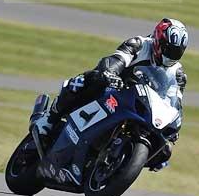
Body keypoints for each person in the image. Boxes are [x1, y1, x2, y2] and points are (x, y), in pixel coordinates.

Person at [32, 17, 188, 172]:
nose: (171, 55)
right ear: (159, 40)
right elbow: (117, 59)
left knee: (165, 150)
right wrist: (110, 72)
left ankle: (117, 163)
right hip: (115, 90)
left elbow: (174, 103)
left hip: (143, 107)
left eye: (177, 52)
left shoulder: (178, 74)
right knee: (84, 82)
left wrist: (172, 126)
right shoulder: (139, 44)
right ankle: (49, 119)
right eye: (169, 49)